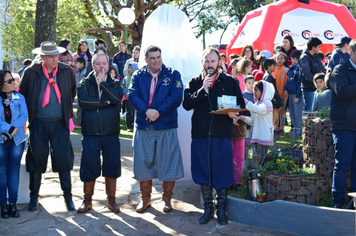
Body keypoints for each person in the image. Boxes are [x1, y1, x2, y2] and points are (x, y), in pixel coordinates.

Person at [183, 47, 245, 225]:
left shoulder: (231, 81)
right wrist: (203, 89)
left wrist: (235, 113)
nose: (210, 64)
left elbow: (239, 103)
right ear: (202, 63)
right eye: (207, 61)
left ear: (219, 62)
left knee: (222, 170)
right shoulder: (195, 82)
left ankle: (221, 209)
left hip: (222, 134)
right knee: (203, 171)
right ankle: (208, 208)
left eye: (213, 61)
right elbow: (187, 104)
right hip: (201, 133)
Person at [19, 41, 76, 212]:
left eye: (56, 55)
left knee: (63, 160)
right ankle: (33, 197)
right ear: (42, 57)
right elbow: (23, 94)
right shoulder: (31, 72)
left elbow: (71, 92)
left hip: (60, 123)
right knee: (36, 161)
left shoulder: (66, 71)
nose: (54, 59)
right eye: (50, 56)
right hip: (39, 123)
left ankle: (68, 198)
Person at [128, 45, 184, 213]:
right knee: (142, 163)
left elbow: (176, 97)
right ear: (146, 60)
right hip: (144, 125)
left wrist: (157, 112)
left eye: (158, 57)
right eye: (152, 58)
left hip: (166, 125)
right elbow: (132, 94)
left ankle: (167, 199)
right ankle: (145, 199)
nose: (156, 60)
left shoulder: (173, 74)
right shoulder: (138, 75)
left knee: (168, 162)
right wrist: (147, 111)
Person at [77, 53, 123, 213]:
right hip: (90, 133)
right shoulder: (84, 83)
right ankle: (87, 200)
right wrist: (105, 103)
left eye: (104, 63)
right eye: (98, 64)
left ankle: (112, 200)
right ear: (93, 65)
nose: (101, 67)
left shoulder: (116, 84)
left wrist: (103, 84)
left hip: (111, 133)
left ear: (109, 66)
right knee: (88, 167)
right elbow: (84, 102)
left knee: (112, 167)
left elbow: (116, 99)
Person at [329, 39, 356, 208]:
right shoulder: (339, 70)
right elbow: (344, 92)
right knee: (342, 165)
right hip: (344, 126)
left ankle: (354, 203)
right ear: (351, 52)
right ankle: (338, 203)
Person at [0, 71, 28, 219]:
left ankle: (13, 204)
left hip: (17, 140)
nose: (13, 83)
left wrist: (10, 131)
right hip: (1, 140)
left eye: (13, 80)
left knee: (13, 172)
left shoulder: (20, 97)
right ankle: (3, 205)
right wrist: (7, 129)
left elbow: (24, 116)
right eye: (9, 81)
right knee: (2, 172)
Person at [236, 80, 274, 163]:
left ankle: (262, 174)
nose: (254, 93)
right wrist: (243, 118)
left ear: (264, 91)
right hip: (258, 136)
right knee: (258, 158)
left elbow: (258, 110)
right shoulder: (257, 104)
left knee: (261, 158)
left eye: (256, 90)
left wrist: (245, 102)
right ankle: (259, 173)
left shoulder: (267, 103)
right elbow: (253, 121)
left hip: (264, 136)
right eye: (253, 91)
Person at [299, 37, 325, 112]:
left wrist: (323, 80)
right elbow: (306, 74)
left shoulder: (316, 55)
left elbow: (322, 68)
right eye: (318, 47)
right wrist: (318, 81)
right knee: (309, 111)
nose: (320, 48)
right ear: (313, 47)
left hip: (318, 87)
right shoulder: (304, 57)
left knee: (318, 110)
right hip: (309, 88)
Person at [284, 50, 303, 137]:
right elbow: (288, 80)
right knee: (292, 113)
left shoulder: (299, 68)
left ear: (296, 58)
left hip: (296, 94)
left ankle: (299, 130)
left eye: (292, 59)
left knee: (298, 113)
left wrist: (298, 95)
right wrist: (285, 88)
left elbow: (300, 83)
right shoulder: (292, 67)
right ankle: (295, 128)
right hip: (290, 94)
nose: (291, 60)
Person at [272, 52, 289, 135]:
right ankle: (275, 128)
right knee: (275, 112)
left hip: (283, 95)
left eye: (281, 58)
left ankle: (281, 128)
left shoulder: (286, 70)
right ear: (275, 59)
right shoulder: (273, 70)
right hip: (275, 95)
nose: (279, 60)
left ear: (285, 60)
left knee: (282, 112)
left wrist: (286, 91)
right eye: (278, 58)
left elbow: (288, 82)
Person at [263, 58, 280, 128]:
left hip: (271, 100)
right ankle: (270, 131)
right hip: (272, 101)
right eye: (273, 65)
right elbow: (269, 90)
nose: (275, 67)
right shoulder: (268, 77)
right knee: (273, 117)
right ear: (269, 66)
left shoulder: (269, 75)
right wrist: (273, 98)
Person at [122, 62, 138, 132]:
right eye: (129, 68)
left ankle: (134, 125)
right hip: (128, 98)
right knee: (128, 112)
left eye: (131, 68)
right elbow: (123, 86)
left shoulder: (137, 78)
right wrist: (125, 92)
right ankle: (129, 126)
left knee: (135, 112)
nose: (129, 69)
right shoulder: (126, 78)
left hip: (135, 99)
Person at [243, 76, 255, 165]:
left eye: (253, 82)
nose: (251, 85)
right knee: (245, 143)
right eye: (249, 83)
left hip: (255, 124)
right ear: (245, 84)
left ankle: (255, 161)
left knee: (254, 142)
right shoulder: (243, 95)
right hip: (246, 122)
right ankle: (245, 162)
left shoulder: (257, 95)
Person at [74, 57, 86, 128]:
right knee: (79, 108)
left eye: (77, 63)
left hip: (82, 93)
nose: (76, 64)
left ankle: (80, 122)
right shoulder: (78, 72)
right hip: (79, 93)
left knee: (81, 108)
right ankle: (79, 122)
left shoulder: (84, 72)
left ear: (82, 64)